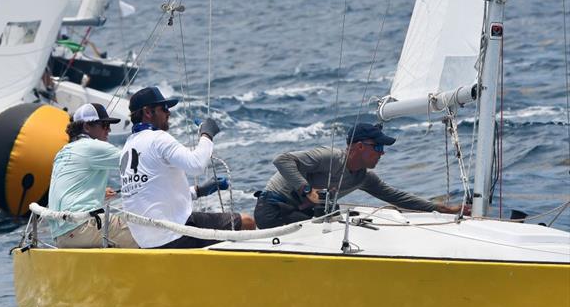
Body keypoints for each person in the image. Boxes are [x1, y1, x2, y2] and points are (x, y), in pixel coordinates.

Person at [254, 122, 471, 228]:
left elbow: (397, 197)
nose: (382, 153)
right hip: (272, 210)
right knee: (334, 225)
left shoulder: (363, 177)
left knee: (338, 221)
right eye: (377, 148)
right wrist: (307, 190)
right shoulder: (329, 157)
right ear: (359, 147)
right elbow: (282, 160)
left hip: (300, 215)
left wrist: (445, 209)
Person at [119, 86, 256, 249]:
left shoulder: (127, 148)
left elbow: (152, 194)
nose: (168, 113)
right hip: (175, 235)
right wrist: (207, 134)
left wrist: (199, 191)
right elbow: (196, 165)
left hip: (147, 242)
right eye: (164, 108)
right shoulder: (157, 138)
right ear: (148, 112)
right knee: (247, 222)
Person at [48, 103, 138, 248]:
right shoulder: (92, 146)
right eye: (104, 125)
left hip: (61, 236)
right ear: (87, 127)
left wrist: (99, 193)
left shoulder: (63, 151)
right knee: (143, 234)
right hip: (82, 229)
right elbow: (136, 161)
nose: (108, 130)